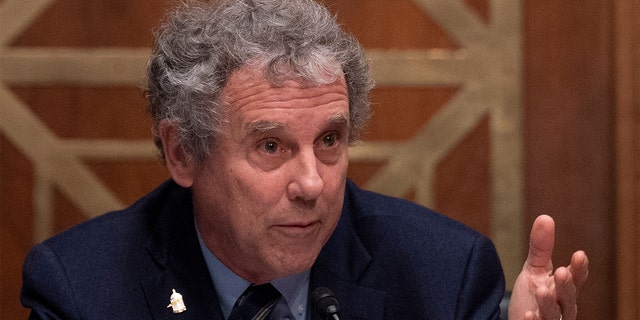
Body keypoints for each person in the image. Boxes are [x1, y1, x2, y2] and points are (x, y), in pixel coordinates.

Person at [20, 0, 588, 319]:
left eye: (330, 140)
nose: (312, 183)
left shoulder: (445, 276)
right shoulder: (80, 291)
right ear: (182, 152)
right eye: (271, 146)